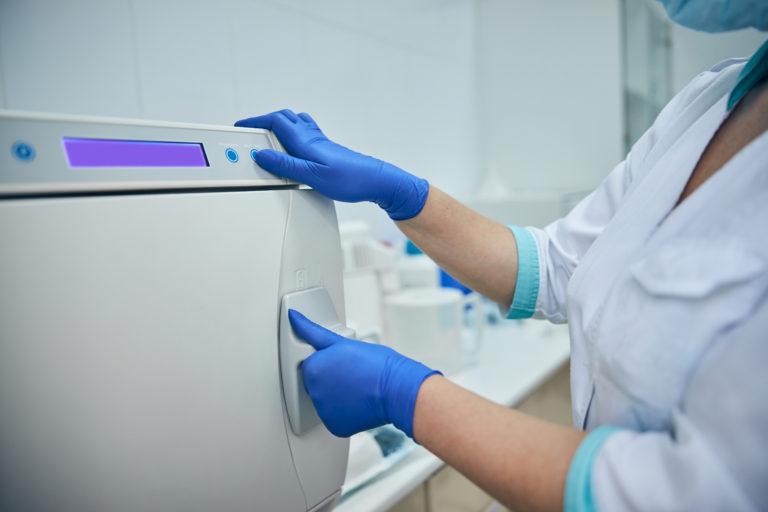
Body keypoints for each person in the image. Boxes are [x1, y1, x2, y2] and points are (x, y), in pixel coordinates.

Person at [236, 1, 768, 509]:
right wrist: (400, 194)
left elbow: (690, 495)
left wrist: (401, 393)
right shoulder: (710, 101)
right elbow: (557, 265)